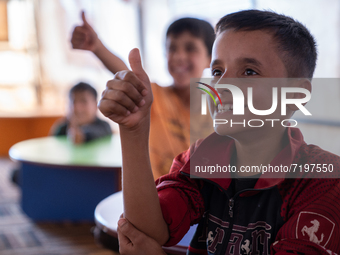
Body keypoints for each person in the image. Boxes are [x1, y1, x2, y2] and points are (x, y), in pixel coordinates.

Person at [99, 9, 340, 255]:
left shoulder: (321, 182)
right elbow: (147, 232)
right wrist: (133, 131)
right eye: (217, 72)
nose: (222, 85)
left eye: (249, 72)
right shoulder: (202, 157)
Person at [71, 12, 214, 179]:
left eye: (190, 48)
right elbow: (126, 74)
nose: (179, 56)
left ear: (210, 59)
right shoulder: (155, 96)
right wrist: (97, 47)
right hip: (157, 198)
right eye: (172, 48)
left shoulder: (219, 107)